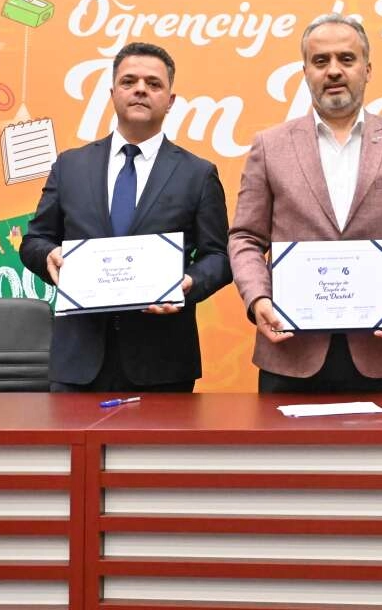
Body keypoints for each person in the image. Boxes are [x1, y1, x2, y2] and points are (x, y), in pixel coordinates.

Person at [228, 13, 382, 393]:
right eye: (320, 61)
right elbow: (245, 237)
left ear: (367, 69)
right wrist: (258, 297)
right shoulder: (269, 145)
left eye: (346, 59)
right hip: (290, 352)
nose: (333, 70)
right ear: (305, 73)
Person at [21, 42, 231, 392]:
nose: (140, 89)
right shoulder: (70, 165)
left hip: (163, 363)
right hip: (77, 361)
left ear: (171, 100)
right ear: (112, 93)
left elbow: (219, 256)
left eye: (153, 83)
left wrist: (189, 284)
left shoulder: (198, 174)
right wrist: (49, 255)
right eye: (129, 81)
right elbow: (34, 241)